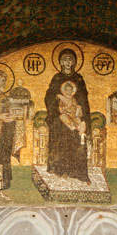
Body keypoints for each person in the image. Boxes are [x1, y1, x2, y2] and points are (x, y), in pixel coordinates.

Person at [45, 49, 91, 183]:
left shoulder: (78, 78)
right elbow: (49, 97)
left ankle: (77, 172)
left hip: (77, 115)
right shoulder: (57, 78)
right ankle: (60, 170)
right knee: (61, 135)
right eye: (64, 59)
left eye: (70, 59)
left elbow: (83, 99)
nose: (67, 62)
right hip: (59, 116)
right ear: (60, 61)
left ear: (74, 62)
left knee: (78, 135)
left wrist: (82, 118)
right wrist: (57, 98)